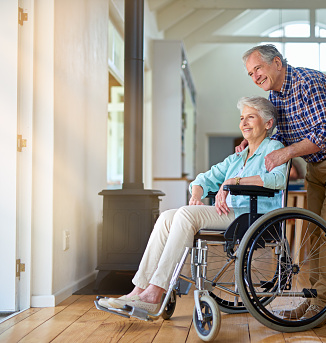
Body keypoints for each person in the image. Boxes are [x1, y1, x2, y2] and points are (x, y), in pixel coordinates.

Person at [98, 96, 288, 312]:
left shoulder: (274, 148)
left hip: (255, 215)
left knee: (186, 215)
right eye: (242, 117)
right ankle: (138, 290)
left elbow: (278, 180)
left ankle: (155, 293)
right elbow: (202, 180)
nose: (243, 123)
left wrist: (233, 182)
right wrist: (197, 195)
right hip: (233, 214)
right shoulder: (238, 157)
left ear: (268, 123)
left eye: (250, 117)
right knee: (168, 216)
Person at [240, 44, 326, 321]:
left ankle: (321, 307)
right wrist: (251, 141)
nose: (255, 77)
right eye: (250, 73)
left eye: (257, 69)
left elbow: (325, 133)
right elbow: (280, 135)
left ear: (276, 63)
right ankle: (312, 302)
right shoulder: (275, 94)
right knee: (313, 229)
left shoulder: (309, 82)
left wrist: (286, 153)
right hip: (316, 163)